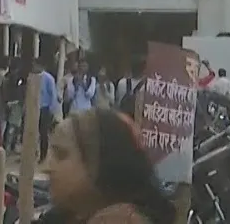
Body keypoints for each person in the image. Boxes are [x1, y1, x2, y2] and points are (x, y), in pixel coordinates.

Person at [41, 108, 177, 224]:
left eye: (61, 155)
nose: (48, 167)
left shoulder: (119, 220)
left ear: (100, 164)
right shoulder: (69, 215)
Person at [37, 56, 61, 161]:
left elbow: (53, 94)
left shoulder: (48, 78)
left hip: (45, 108)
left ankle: (43, 155)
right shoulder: (34, 77)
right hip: (35, 107)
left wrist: (52, 109)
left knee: (43, 132)